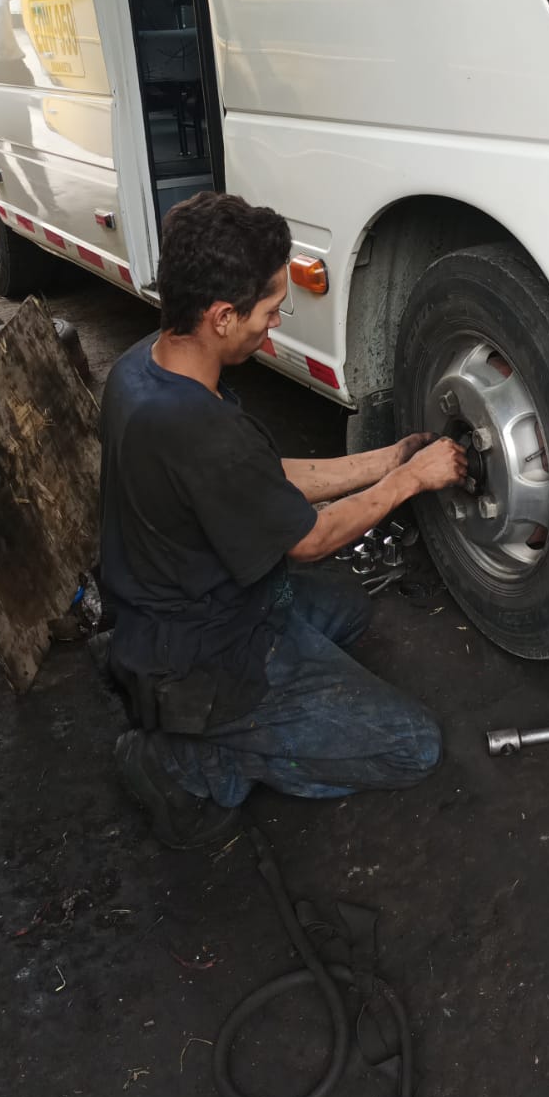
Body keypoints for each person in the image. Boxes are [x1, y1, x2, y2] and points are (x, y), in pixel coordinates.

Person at [99, 191, 467, 848]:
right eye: (269, 309)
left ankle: (198, 705)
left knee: (348, 607)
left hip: (180, 608)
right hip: (206, 659)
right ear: (221, 316)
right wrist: (411, 481)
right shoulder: (201, 431)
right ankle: (190, 759)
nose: (274, 323)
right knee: (413, 747)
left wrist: (387, 459)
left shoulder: (143, 368)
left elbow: (264, 480)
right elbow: (310, 539)